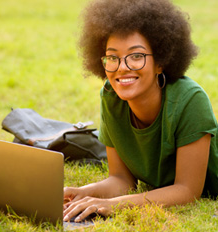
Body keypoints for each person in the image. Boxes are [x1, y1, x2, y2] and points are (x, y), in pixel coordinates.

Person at [63, 0, 218, 223]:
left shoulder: (190, 99)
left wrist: (113, 205)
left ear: (161, 62)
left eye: (136, 56)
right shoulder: (111, 97)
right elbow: (121, 179)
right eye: (112, 57)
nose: (122, 67)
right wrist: (84, 191)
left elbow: (187, 190)